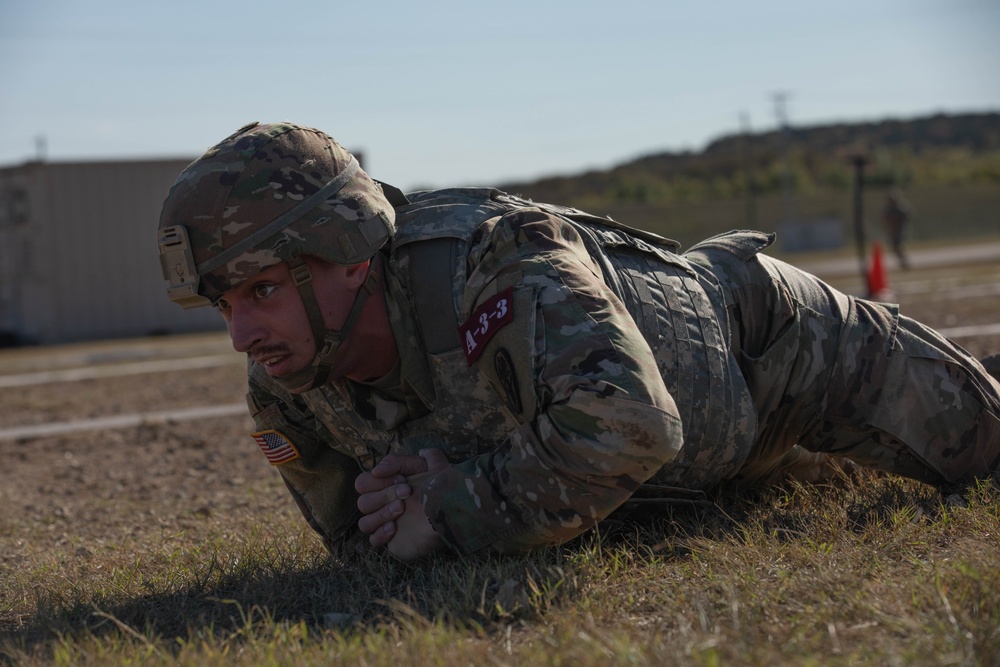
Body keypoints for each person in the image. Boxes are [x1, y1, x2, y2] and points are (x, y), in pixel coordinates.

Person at [157, 122, 1000, 562]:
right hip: (698, 478)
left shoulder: (494, 262)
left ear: (343, 256)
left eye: (262, 291)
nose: (241, 333)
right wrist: (403, 502)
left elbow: (633, 426)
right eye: (224, 304)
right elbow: (363, 537)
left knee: (983, 442)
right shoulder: (288, 383)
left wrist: (450, 510)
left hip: (775, 356)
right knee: (802, 490)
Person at [882, 188, 912, 269]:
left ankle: (905, 263)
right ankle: (903, 263)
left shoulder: (901, 207)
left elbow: (907, 216)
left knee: (898, 246)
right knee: (895, 247)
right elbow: (886, 218)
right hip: (893, 229)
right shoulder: (889, 208)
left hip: (900, 229)